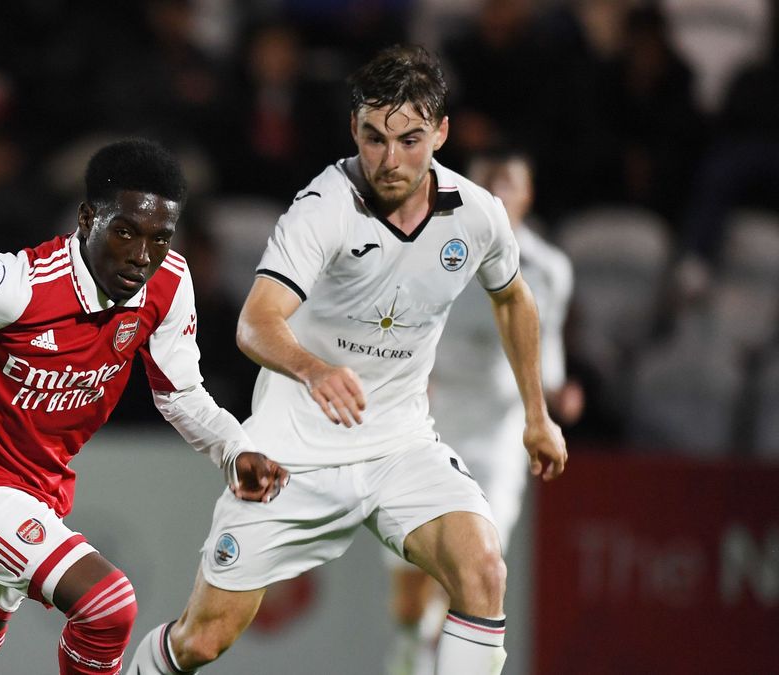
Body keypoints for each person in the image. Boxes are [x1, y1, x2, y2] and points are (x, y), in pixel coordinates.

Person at [128, 45, 567, 675]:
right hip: (292, 455)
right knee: (203, 640)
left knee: (482, 569)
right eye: (373, 138)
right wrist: (314, 369)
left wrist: (537, 415)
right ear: (353, 131)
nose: (390, 160)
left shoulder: (477, 216)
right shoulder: (323, 207)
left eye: (410, 140)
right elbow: (256, 323)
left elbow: (514, 298)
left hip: (399, 445)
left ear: (440, 133)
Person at [0, 139, 289, 675]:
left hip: (37, 489)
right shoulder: (19, 287)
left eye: (159, 238)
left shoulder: (168, 281)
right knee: (107, 606)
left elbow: (179, 394)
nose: (141, 255)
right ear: (89, 218)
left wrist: (236, 449)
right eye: (126, 231)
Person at [385, 149, 584, 675]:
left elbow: (548, 353)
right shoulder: (428, 249)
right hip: (430, 426)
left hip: (499, 436)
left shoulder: (549, 270)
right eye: (488, 182)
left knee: (480, 565)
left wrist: (554, 401)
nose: (498, 193)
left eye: (509, 183)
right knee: (413, 585)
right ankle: (412, 643)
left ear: (527, 194)